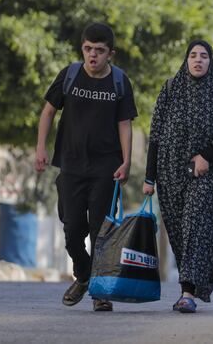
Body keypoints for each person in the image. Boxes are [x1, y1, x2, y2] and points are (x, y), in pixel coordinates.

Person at [35, 23, 137, 312]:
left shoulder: (119, 82)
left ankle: (100, 292)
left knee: (100, 232)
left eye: (100, 51)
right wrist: (41, 147)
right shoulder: (69, 75)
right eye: (88, 49)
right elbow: (48, 111)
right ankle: (84, 274)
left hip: (106, 167)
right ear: (83, 49)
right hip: (71, 165)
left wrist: (127, 161)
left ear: (110, 54)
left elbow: (125, 124)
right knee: (72, 229)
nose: (93, 55)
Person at [143, 40, 213, 314]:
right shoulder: (170, 89)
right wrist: (149, 177)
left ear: (211, 62)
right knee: (180, 233)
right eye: (193, 55)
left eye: (204, 56)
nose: (198, 60)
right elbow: (155, 136)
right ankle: (187, 287)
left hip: (207, 176)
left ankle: (188, 293)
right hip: (171, 176)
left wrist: (206, 157)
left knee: (196, 224)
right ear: (186, 60)